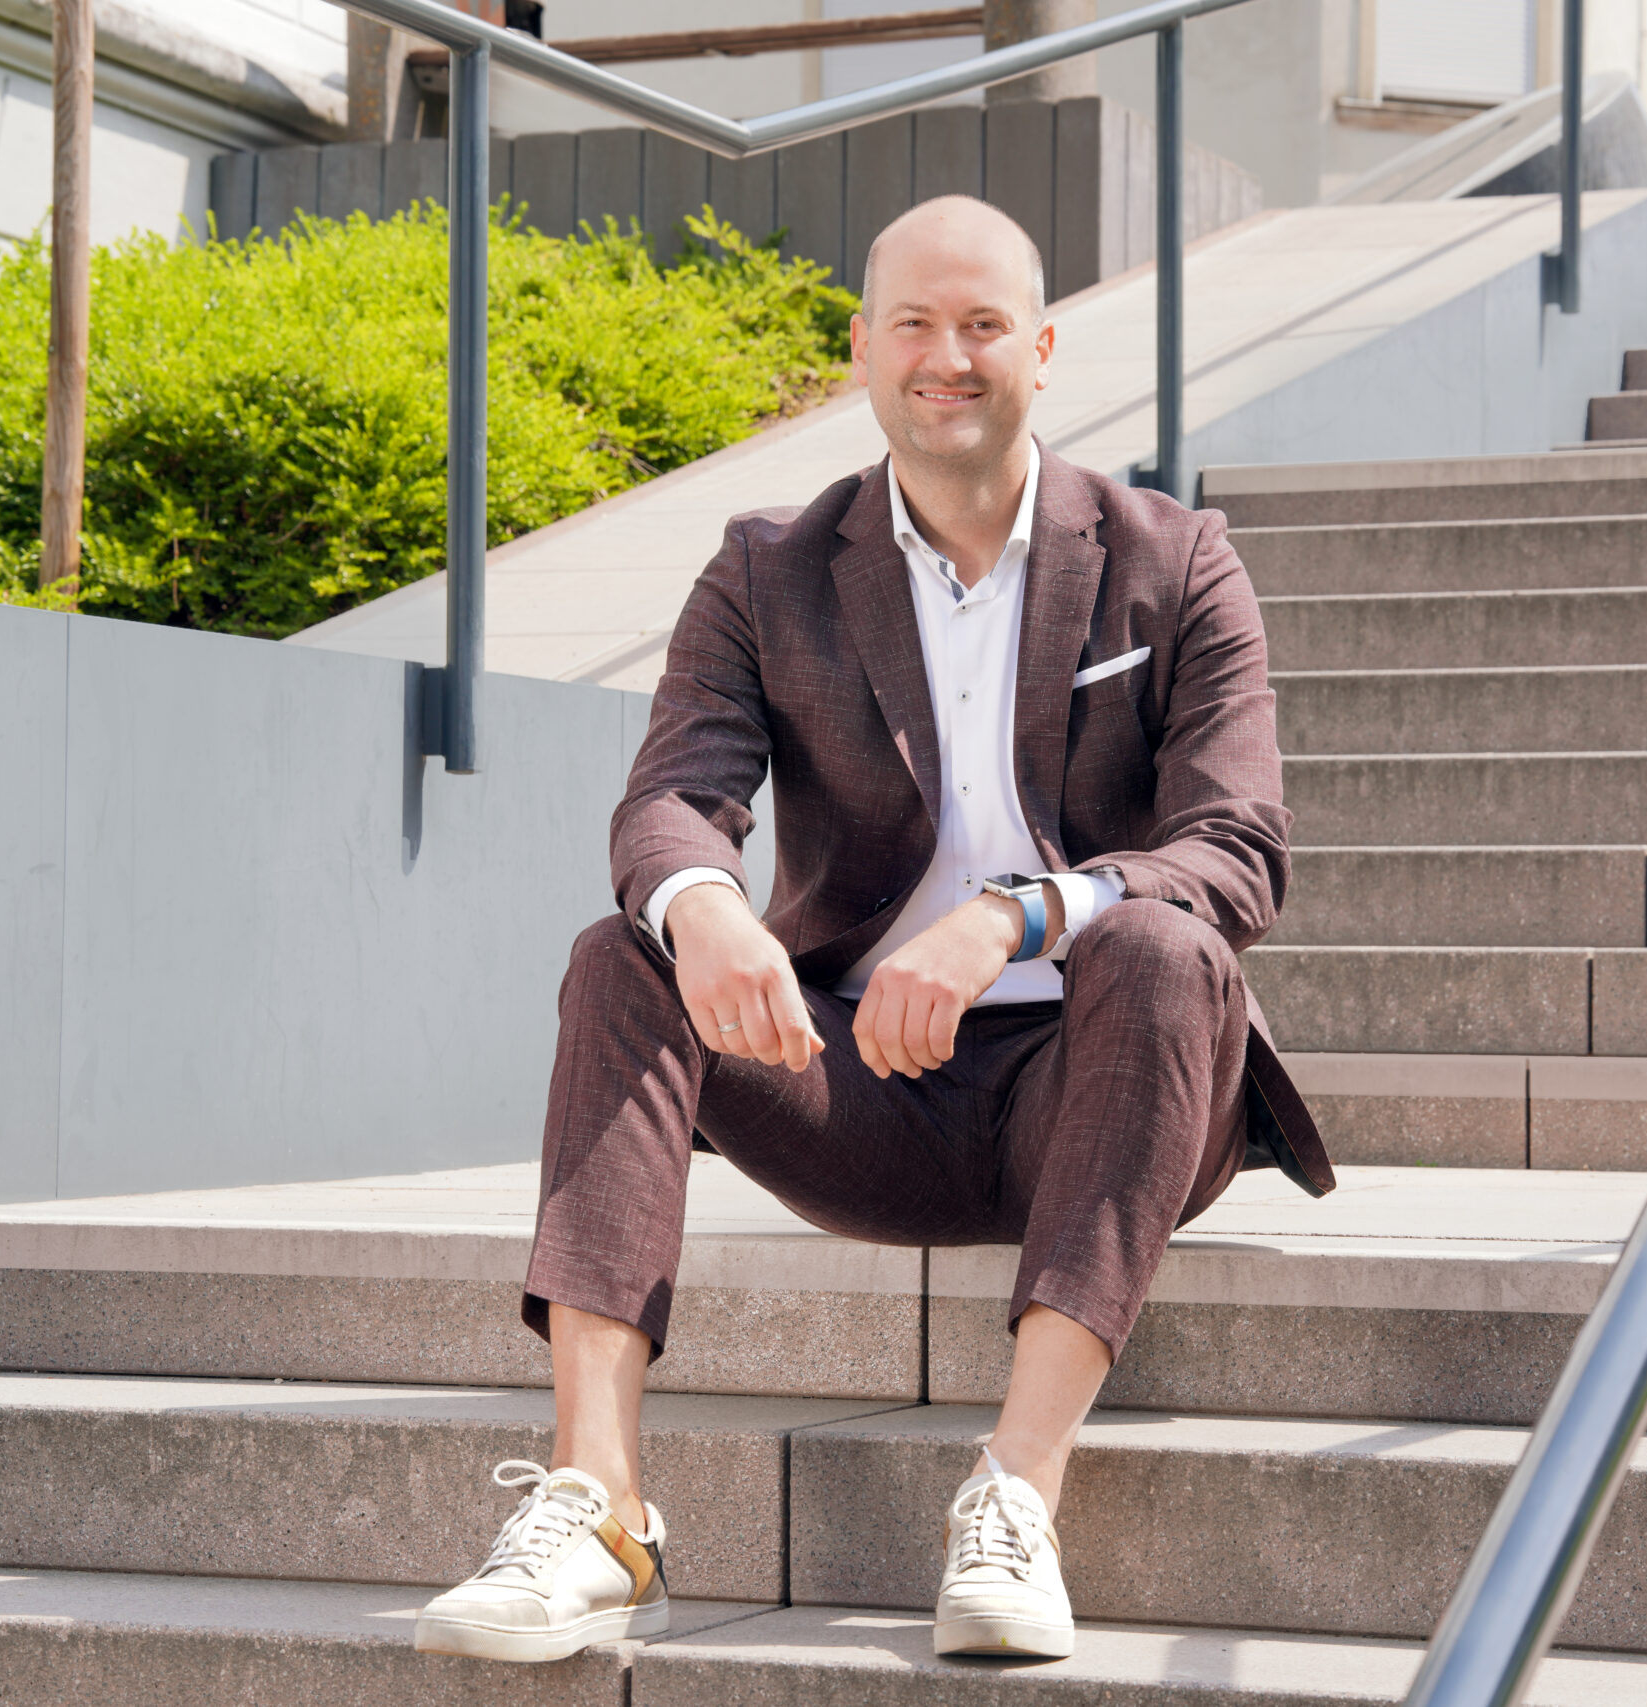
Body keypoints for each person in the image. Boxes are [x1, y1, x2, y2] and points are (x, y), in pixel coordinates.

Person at [412, 193, 1332, 1667]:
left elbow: (1237, 851)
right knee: (621, 953)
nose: (945, 355)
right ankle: (597, 1507)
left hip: (1107, 1083)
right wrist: (707, 908)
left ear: (1041, 347)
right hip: (861, 1087)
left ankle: (1016, 1497)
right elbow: (670, 802)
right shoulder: (769, 566)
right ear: (860, 348)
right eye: (913, 321)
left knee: (1165, 945)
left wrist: (1015, 918)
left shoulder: (1177, 558)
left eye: (981, 325)